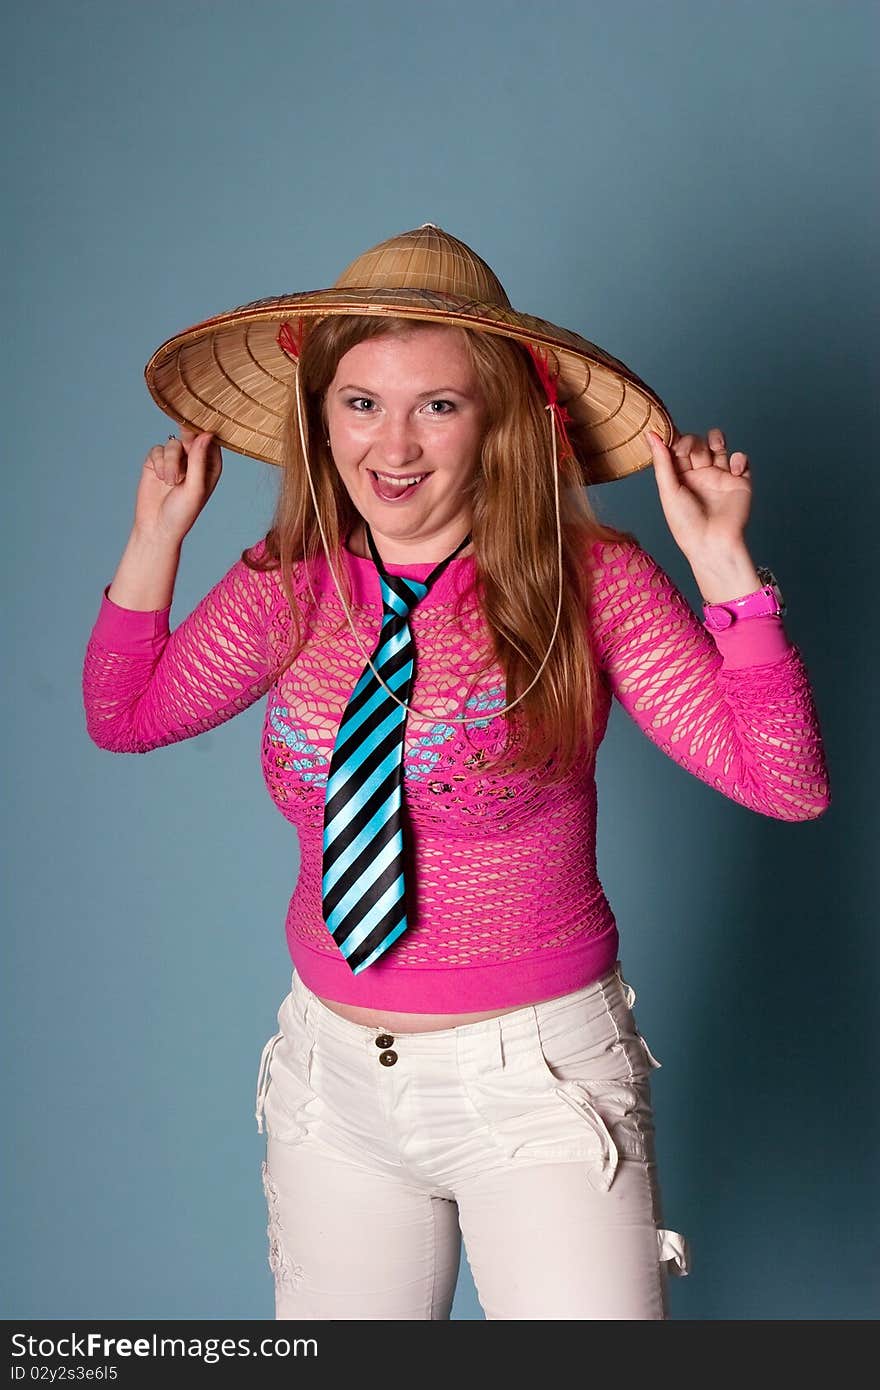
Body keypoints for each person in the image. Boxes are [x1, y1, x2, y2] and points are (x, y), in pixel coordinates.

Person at [82, 224, 831, 1320]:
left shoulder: (594, 585)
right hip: (330, 1080)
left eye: (437, 403)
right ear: (319, 416)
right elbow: (125, 714)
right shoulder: (292, 586)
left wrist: (724, 565)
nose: (394, 444)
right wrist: (157, 536)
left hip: (536, 1086)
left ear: (501, 420)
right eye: (359, 401)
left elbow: (784, 783)